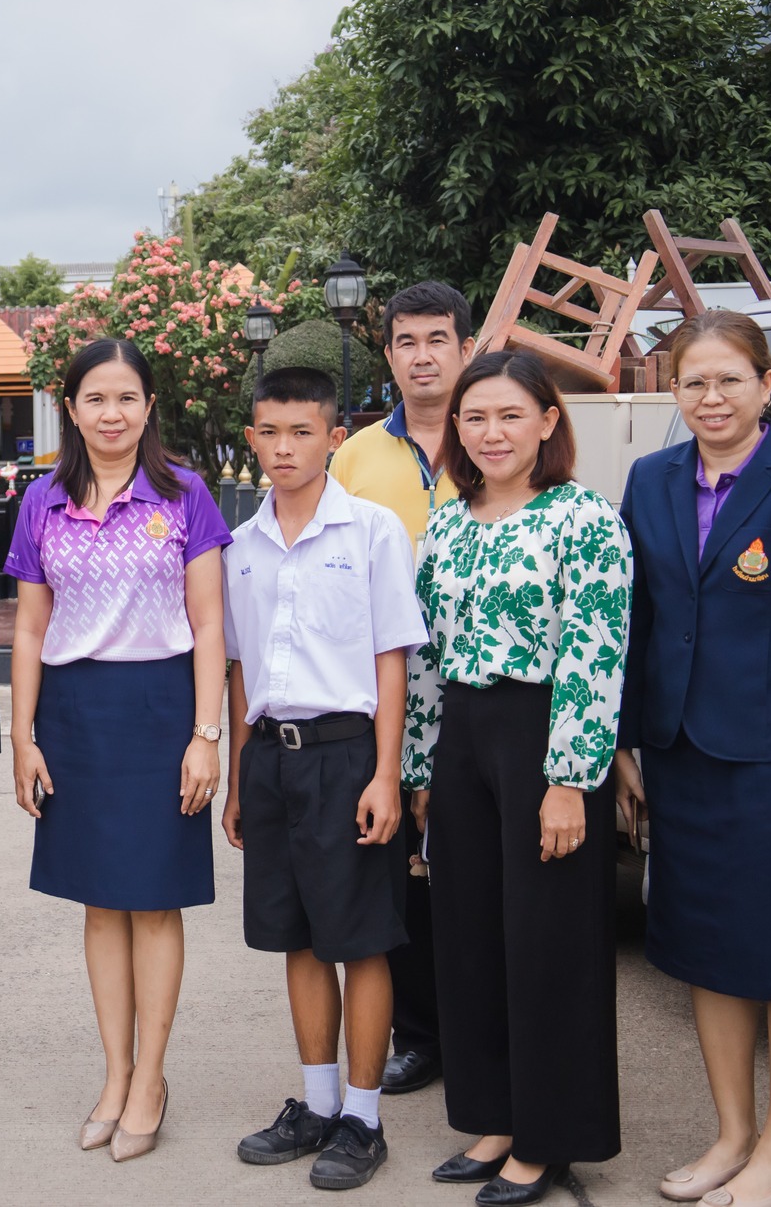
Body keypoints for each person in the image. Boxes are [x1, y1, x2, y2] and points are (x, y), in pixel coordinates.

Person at [614, 310, 771, 1207]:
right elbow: (633, 622)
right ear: (672, 391)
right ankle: (732, 1136)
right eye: (693, 381)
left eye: (729, 379)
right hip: (680, 750)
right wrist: (620, 745)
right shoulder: (649, 482)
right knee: (705, 947)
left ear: (768, 384)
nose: (710, 397)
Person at [403, 349, 631, 1206]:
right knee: (470, 936)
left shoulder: (585, 519)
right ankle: (495, 1116)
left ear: (546, 422)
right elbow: (426, 652)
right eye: (475, 417)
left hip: (546, 735)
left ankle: (549, 1137)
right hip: (462, 734)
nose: (491, 432)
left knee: (548, 944)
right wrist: (420, 765)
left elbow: (595, 650)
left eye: (509, 415)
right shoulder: (450, 524)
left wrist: (571, 777)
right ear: (456, 430)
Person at [3, 338, 229, 1165]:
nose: (112, 413)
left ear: (148, 406)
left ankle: (152, 1079)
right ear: (71, 408)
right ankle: (115, 1071)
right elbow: (30, 627)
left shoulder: (184, 495)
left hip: (161, 709)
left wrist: (206, 736)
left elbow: (210, 624)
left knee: (154, 899)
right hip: (76, 714)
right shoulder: (42, 502)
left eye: (128, 398)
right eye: (96, 398)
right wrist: (22, 737)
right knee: (101, 900)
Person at [220, 366, 426, 1190]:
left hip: (349, 757)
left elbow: (391, 667)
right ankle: (315, 1102)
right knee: (296, 935)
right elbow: (241, 672)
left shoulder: (372, 531)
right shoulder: (239, 545)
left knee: (361, 938)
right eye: (268, 432)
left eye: (301, 431)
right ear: (251, 439)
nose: (283, 447)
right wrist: (240, 776)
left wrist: (385, 774)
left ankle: (364, 1120)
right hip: (271, 755)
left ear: (334, 437)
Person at [330, 279, 474, 1098]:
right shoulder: (355, 456)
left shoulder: (496, 430)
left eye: (437, 339)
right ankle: (420, 1035)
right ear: (388, 355)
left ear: (464, 346)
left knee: (477, 865)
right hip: (385, 697)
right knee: (402, 874)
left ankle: (482, 1028)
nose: (423, 356)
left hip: (483, 690)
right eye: (407, 342)